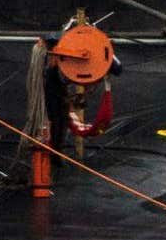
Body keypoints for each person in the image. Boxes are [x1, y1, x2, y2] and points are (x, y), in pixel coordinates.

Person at [45, 10, 116, 149]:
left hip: (70, 77)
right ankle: (55, 150)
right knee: (56, 117)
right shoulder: (56, 74)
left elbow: (115, 67)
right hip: (62, 81)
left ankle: (55, 150)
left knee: (57, 119)